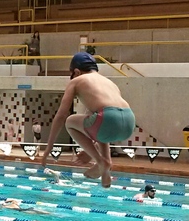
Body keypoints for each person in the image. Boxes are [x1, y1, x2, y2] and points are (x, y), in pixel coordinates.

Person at [39, 52, 135, 188]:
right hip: (129, 122)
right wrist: (91, 148)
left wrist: (48, 149)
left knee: (70, 121)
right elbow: (100, 123)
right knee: (97, 120)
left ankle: (100, 161)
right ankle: (106, 161)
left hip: (107, 118)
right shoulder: (109, 82)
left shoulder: (76, 81)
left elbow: (61, 115)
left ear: (77, 72)